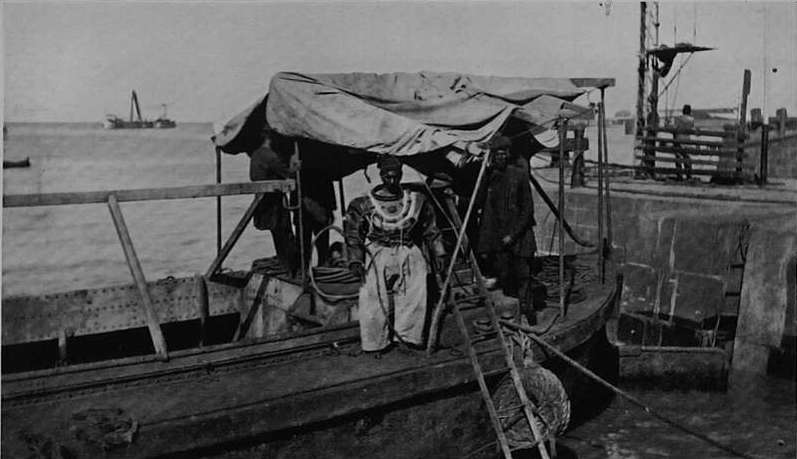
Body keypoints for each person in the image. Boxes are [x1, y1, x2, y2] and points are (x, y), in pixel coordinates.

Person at [345, 155, 446, 354]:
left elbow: (431, 229)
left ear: (400, 175)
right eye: (388, 176)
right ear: (381, 175)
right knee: (372, 296)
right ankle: (375, 344)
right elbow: (353, 234)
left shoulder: (416, 199)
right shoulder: (364, 203)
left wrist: (439, 253)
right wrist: (356, 259)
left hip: (407, 249)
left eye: (396, 176)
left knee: (414, 293)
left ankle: (407, 339)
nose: (392, 180)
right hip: (377, 251)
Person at [476, 135, 540, 324]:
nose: (500, 157)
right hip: (500, 238)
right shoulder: (490, 177)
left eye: (503, 153)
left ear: (508, 154)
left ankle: (529, 315)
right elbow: (480, 202)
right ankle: (513, 316)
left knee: (523, 277)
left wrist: (513, 235)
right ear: (492, 156)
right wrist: (484, 175)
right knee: (505, 277)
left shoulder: (519, 175)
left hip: (519, 237)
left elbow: (528, 209)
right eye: (497, 154)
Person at [248, 133, 298, 274]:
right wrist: (295, 165)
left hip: (262, 202)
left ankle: (286, 264)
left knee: (278, 234)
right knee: (284, 234)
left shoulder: (256, 154)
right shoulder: (270, 156)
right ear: (270, 139)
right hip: (273, 203)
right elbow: (288, 173)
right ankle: (291, 269)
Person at [299, 167, 336, 268]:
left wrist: (331, 208)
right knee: (304, 242)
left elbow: (328, 186)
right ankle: (305, 268)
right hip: (306, 208)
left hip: (317, 208)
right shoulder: (321, 163)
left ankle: (318, 266)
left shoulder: (321, 164)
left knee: (319, 242)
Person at [673, 104, 694, 180]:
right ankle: (688, 175)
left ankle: (679, 175)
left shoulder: (678, 119)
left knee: (678, 157)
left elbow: (674, 128)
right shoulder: (691, 120)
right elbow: (693, 129)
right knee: (687, 158)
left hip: (678, 139)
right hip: (687, 140)